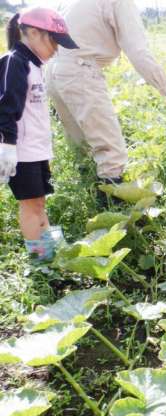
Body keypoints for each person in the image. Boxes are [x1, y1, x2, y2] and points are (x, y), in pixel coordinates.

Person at [45, 0, 166, 185]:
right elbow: (137, 51)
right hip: (79, 70)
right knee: (110, 150)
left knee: (80, 142)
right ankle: (112, 205)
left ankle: (88, 192)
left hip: (53, 69)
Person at [0, 8, 78, 260]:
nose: (56, 48)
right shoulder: (14, 62)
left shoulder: (34, 65)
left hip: (35, 150)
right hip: (20, 152)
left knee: (39, 202)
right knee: (31, 205)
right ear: (32, 32)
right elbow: (5, 106)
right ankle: (40, 261)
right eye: (53, 40)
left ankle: (47, 250)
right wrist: (7, 145)